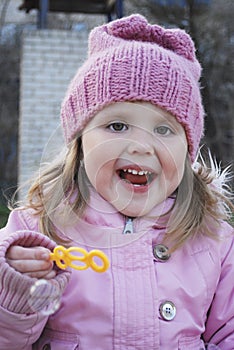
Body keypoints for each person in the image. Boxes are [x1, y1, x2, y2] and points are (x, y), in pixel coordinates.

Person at [0, 14, 233, 350]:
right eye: (117, 126)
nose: (141, 145)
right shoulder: (33, 232)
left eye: (164, 129)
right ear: (80, 143)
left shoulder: (215, 240)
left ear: (188, 150)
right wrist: (13, 291)